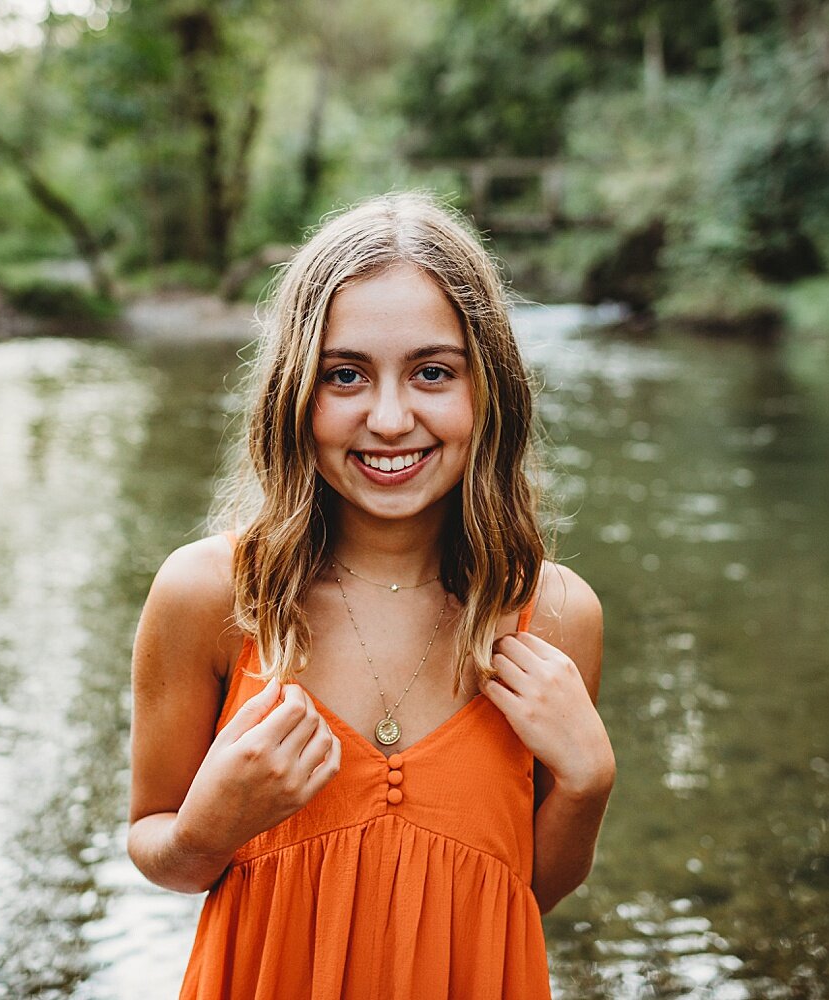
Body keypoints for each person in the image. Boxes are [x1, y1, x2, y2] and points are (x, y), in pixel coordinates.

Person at [126, 192, 614, 999]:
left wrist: (589, 783)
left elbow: (527, 896)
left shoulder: (556, 616)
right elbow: (159, 850)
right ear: (293, 394)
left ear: (488, 388)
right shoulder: (211, 596)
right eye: (345, 375)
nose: (390, 419)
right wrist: (204, 832)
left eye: (432, 372)